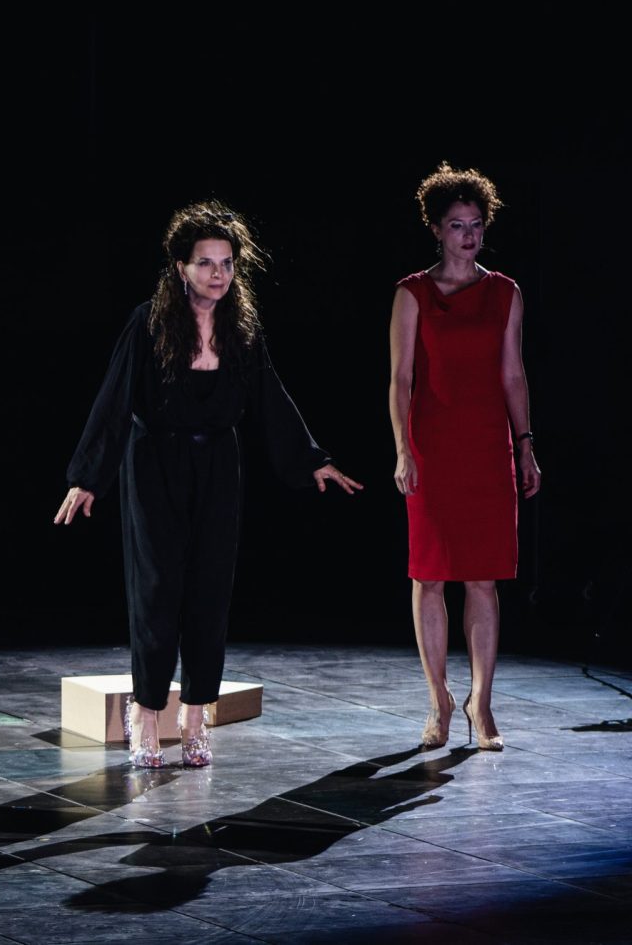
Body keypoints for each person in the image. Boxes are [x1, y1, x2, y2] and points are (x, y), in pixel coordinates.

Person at [55, 202, 360, 768]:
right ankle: (147, 714)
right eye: (205, 263)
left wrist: (310, 459)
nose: (218, 274)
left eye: (226, 263)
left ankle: (195, 716)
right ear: (181, 267)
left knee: (209, 591)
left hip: (218, 463)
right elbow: (114, 399)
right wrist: (87, 478)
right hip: (154, 463)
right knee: (157, 591)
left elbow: (270, 398)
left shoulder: (241, 328)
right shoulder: (148, 322)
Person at [390, 164, 539, 753]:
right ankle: (439, 702)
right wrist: (403, 449)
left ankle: (483, 702)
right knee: (428, 576)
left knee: (483, 577)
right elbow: (401, 381)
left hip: (486, 448)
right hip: (432, 448)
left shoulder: (505, 292)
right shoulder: (412, 293)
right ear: (436, 229)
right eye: (457, 225)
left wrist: (525, 444)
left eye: (476, 224)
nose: (469, 235)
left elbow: (513, 374)